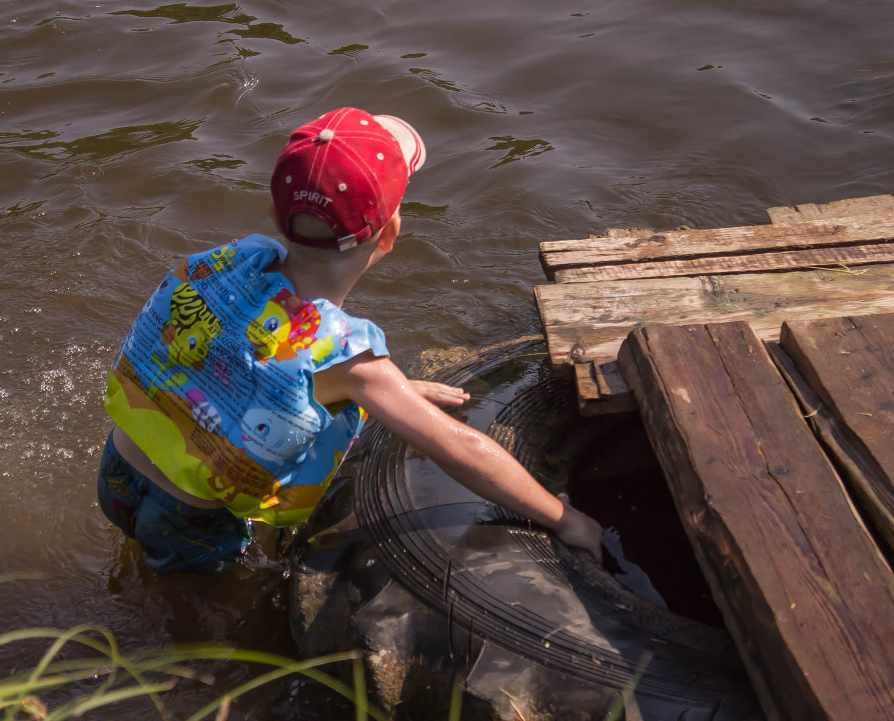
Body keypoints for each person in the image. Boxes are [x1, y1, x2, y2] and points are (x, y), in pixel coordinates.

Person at [99, 107, 603, 574]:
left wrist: (397, 392)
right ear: (390, 234)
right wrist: (566, 520)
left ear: (276, 218)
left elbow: (243, 361)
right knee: (191, 601)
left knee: (137, 560)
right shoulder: (350, 361)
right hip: (190, 521)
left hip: (119, 469)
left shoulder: (230, 261)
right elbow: (460, 448)